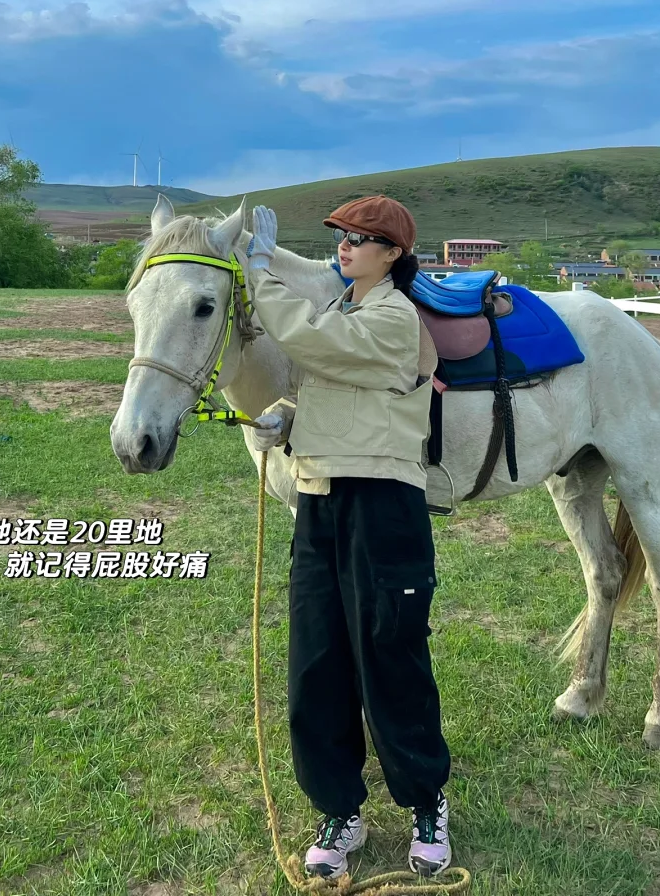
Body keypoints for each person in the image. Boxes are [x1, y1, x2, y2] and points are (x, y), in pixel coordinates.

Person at [244, 196, 453, 881]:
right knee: (316, 661)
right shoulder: (347, 312)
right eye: (341, 236)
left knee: (391, 656)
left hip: (384, 503)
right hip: (320, 497)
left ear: (392, 254)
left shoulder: (395, 316)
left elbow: (311, 344)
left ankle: (426, 803)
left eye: (363, 239)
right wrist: (288, 419)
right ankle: (338, 809)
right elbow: (331, 382)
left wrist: (259, 276)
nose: (346, 246)